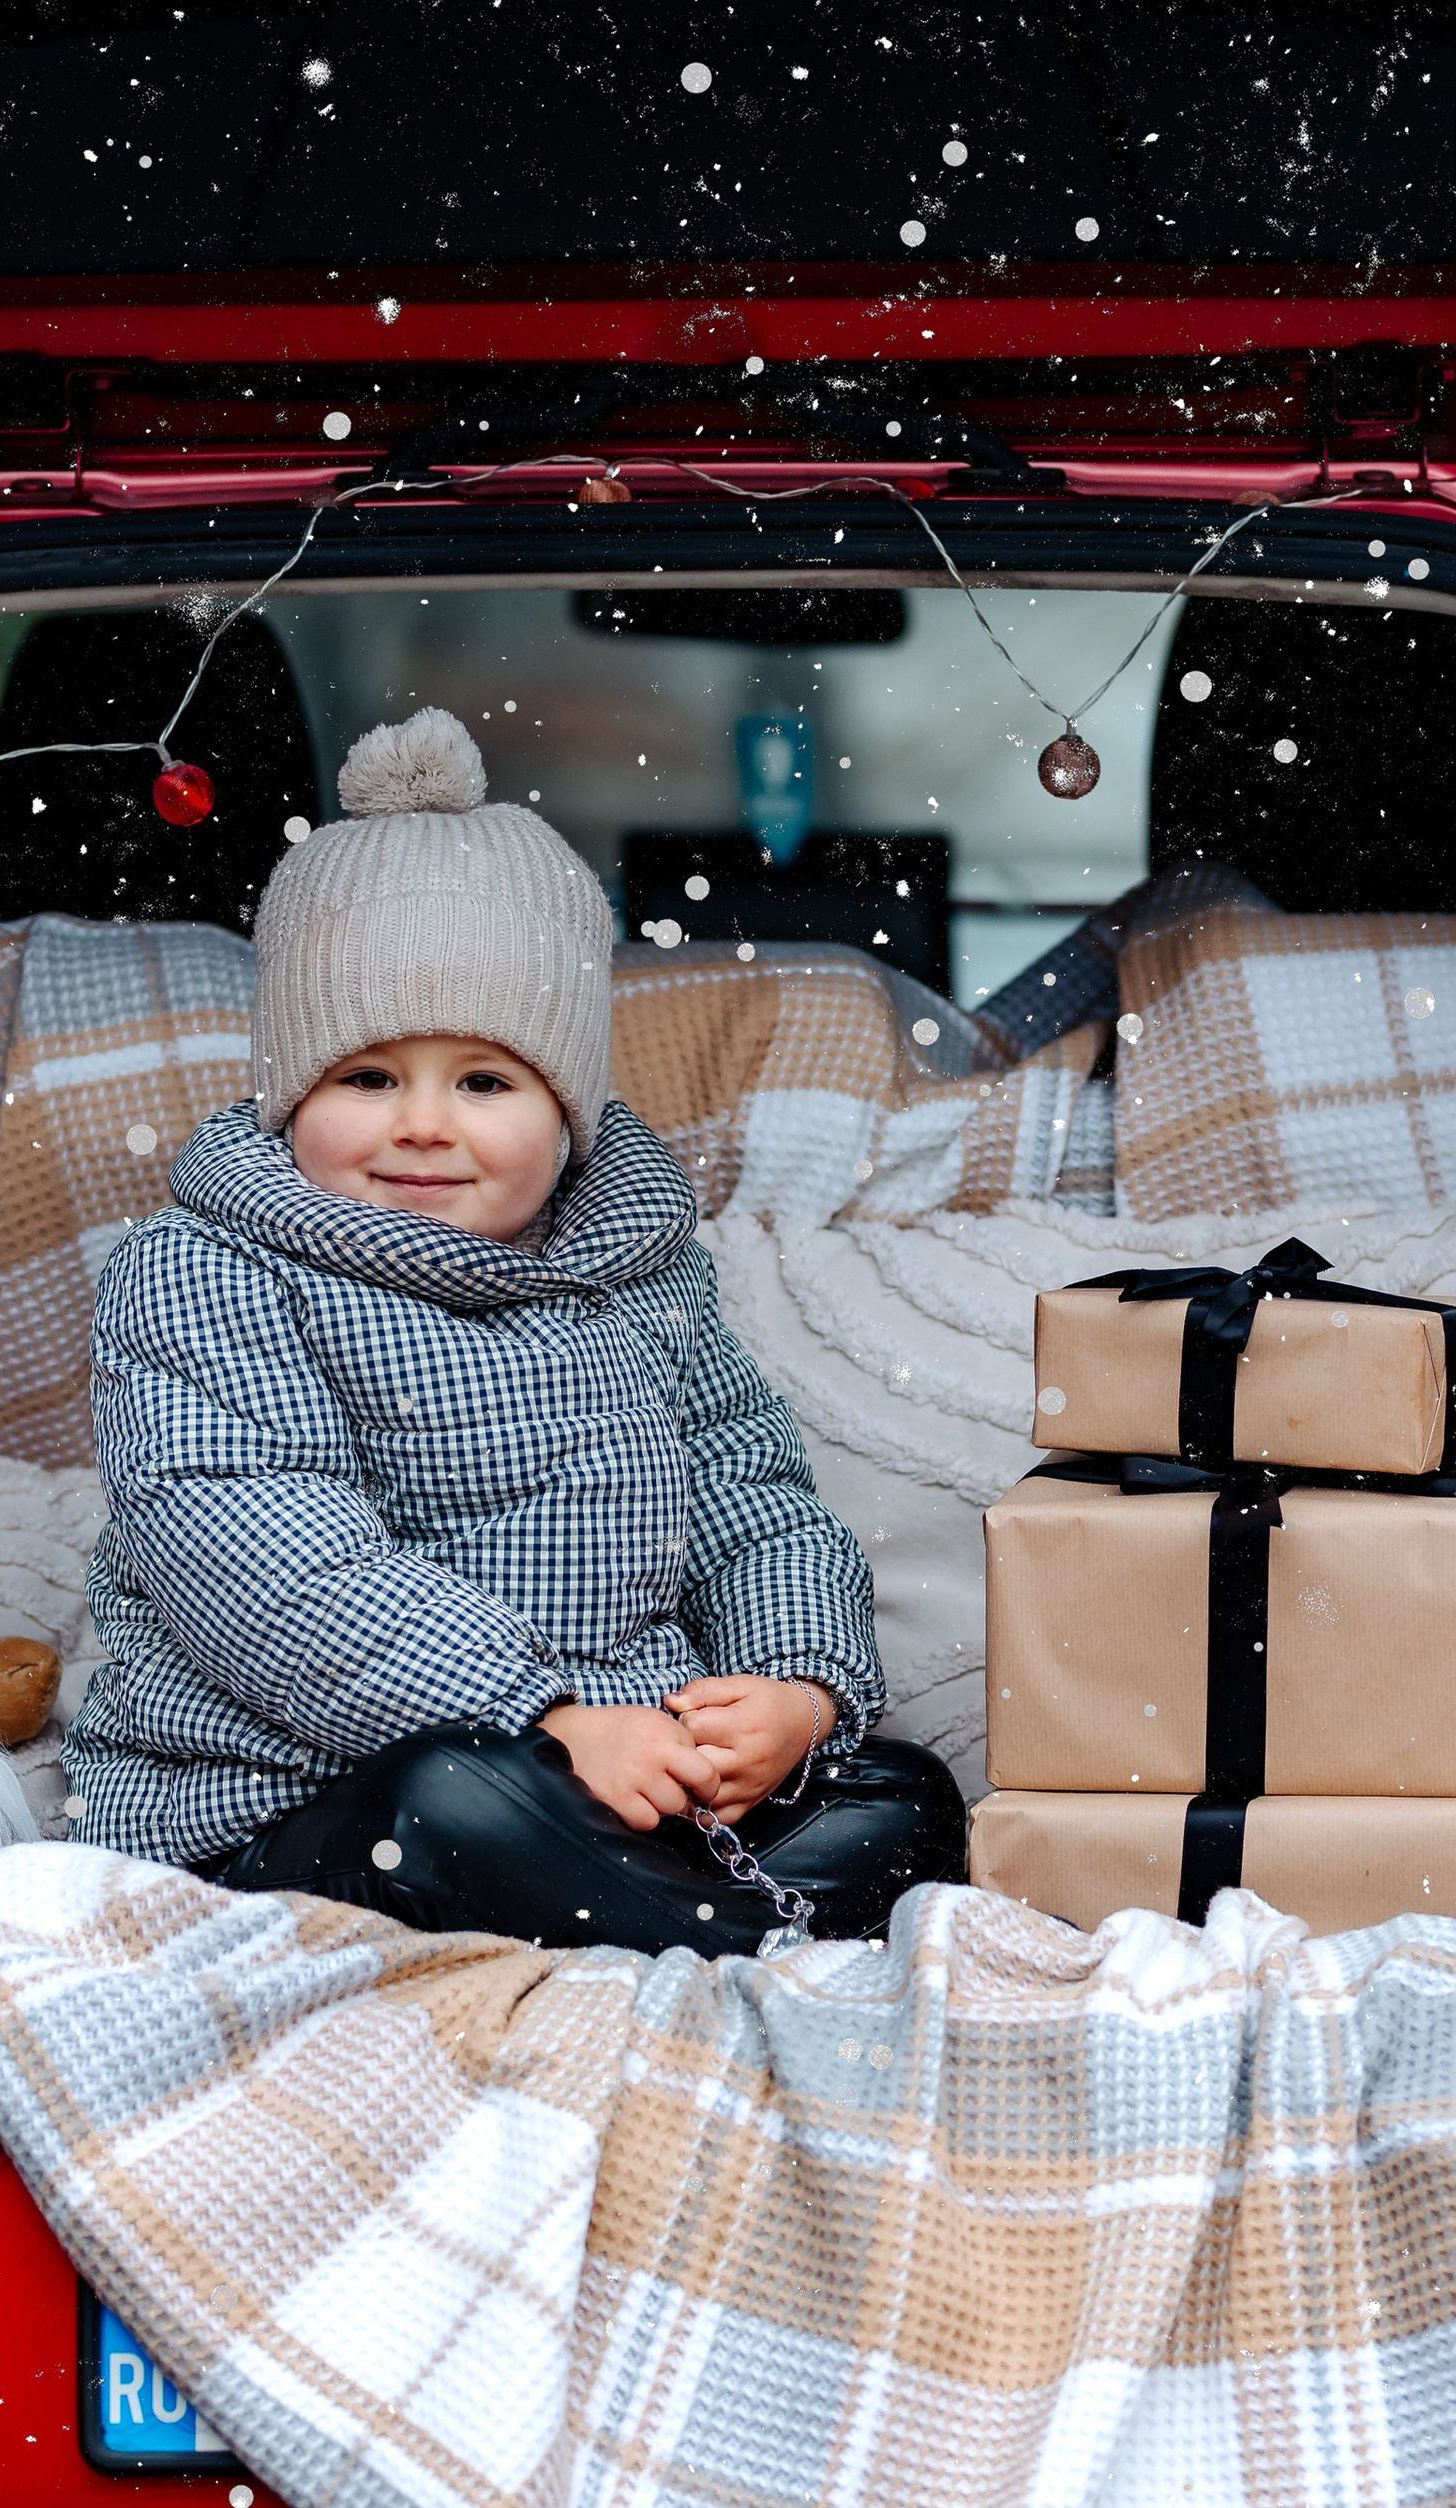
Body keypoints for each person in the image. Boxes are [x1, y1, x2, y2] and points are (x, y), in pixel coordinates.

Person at [62, 706, 964, 1952]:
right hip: (299, 1795)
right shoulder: (207, 1272)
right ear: (289, 1096)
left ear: (563, 1108)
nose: (424, 1124)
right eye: (368, 1078)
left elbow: (751, 1500)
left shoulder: (637, 1274)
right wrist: (547, 1716)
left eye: (484, 1081)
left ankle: (695, 1917)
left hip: (623, 1778)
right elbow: (272, 1574)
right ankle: (756, 1938)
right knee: (451, 1804)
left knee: (903, 1797)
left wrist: (795, 1688)